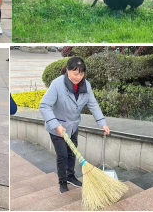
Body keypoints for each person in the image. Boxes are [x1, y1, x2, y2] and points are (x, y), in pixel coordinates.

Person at [39, 57, 110, 194]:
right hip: (57, 128)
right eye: (75, 73)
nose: (79, 77)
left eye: (81, 73)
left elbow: (93, 104)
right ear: (67, 70)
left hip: (73, 126)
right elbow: (44, 106)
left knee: (72, 153)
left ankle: (71, 176)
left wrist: (103, 123)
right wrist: (56, 125)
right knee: (63, 155)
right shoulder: (57, 84)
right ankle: (62, 181)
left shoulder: (86, 85)